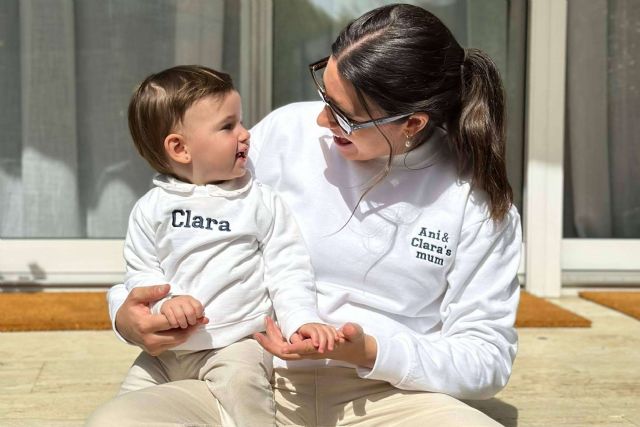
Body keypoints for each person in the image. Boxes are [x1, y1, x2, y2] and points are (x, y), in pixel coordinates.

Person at [87, 4, 522, 426]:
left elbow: (486, 358)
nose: (320, 118)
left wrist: (370, 351)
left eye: (343, 115)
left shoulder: (476, 201)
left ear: (412, 123)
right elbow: (179, 229)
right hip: (247, 373)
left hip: (386, 397)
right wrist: (123, 312)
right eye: (324, 95)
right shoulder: (287, 134)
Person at [111, 64, 340, 427]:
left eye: (241, 122)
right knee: (127, 407)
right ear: (180, 148)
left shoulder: (260, 201)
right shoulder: (150, 209)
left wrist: (302, 321)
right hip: (165, 354)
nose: (245, 134)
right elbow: (141, 273)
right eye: (227, 126)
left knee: (245, 393)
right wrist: (167, 303)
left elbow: (288, 269)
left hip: (235, 345)